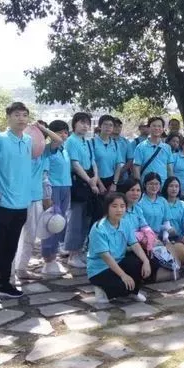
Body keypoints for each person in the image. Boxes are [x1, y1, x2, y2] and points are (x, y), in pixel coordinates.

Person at [0, 102, 34, 303]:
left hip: (22, 204)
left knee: (11, 247)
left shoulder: (28, 140)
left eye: (24, 115)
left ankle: (3, 283)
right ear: (8, 118)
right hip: (3, 204)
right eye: (17, 114)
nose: (21, 118)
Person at [13, 122, 63, 281]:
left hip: (35, 198)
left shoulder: (44, 152)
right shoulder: (19, 149)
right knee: (13, 235)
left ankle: (21, 268)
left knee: (30, 235)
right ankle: (8, 271)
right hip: (16, 198)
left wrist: (41, 128)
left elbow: (58, 140)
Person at [87, 193, 152, 304]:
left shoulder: (125, 223)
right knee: (122, 286)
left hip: (119, 262)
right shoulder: (99, 228)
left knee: (139, 263)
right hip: (100, 269)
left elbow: (135, 244)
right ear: (107, 208)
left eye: (122, 206)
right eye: (114, 206)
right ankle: (101, 289)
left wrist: (146, 261)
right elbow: (106, 257)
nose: (119, 210)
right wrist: (123, 275)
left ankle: (133, 292)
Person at [64, 112, 101, 269]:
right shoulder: (71, 141)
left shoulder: (87, 141)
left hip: (89, 181)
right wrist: (90, 181)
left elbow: (93, 162)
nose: (85, 126)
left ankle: (79, 251)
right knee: (76, 220)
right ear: (74, 124)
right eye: (82, 123)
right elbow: (75, 164)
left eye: (87, 123)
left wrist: (95, 178)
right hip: (78, 183)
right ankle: (72, 254)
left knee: (87, 218)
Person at [40, 119, 72, 276]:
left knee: (60, 222)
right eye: (60, 132)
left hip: (66, 187)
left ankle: (54, 255)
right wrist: (47, 195)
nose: (64, 135)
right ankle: (48, 259)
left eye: (66, 132)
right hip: (54, 189)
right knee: (50, 223)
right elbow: (44, 174)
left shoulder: (64, 150)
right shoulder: (49, 150)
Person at [117, 178, 158, 255]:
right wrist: (141, 237)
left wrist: (150, 237)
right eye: (132, 190)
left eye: (138, 190)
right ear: (124, 191)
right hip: (123, 251)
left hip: (138, 246)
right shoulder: (119, 210)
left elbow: (145, 226)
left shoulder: (137, 209)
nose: (135, 193)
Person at [161, 176, 184, 263]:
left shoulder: (183, 205)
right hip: (162, 236)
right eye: (171, 186)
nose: (174, 189)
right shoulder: (161, 203)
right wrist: (165, 237)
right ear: (166, 188)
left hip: (178, 236)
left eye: (176, 186)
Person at [133, 116, 173, 182]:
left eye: (159, 126)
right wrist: (138, 184)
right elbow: (136, 167)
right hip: (146, 184)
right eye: (154, 126)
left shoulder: (167, 147)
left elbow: (169, 168)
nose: (157, 128)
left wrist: (171, 183)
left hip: (163, 184)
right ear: (149, 128)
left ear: (163, 129)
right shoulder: (140, 147)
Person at [93, 114, 125, 193]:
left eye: (111, 125)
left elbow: (118, 164)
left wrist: (114, 183)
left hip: (111, 180)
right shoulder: (92, 143)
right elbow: (93, 165)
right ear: (100, 126)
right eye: (105, 124)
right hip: (96, 180)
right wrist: (100, 184)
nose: (108, 127)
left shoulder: (115, 144)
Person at [138, 172, 170, 237]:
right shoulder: (140, 201)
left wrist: (165, 238)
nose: (154, 186)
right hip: (144, 237)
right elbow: (140, 224)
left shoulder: (163, 201)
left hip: (159, 237)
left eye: (156, 184)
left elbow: (166, 221)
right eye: (151, 184)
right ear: (145, 184)